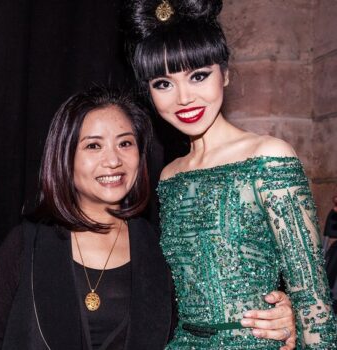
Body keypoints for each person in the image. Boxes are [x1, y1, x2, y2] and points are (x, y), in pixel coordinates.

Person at [126, 0, 337, 348]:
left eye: (198, 76)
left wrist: (294, 317)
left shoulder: (268, 156)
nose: (184, 98)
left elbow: (315, 304)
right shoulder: (168, 176)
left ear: (224, 73)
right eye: (163, 83)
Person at [0, 86, 172, 349]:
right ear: (65, 156)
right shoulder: (26, 244)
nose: (113, 160)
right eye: (93, 145)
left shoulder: (160, 247)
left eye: (125, 143)